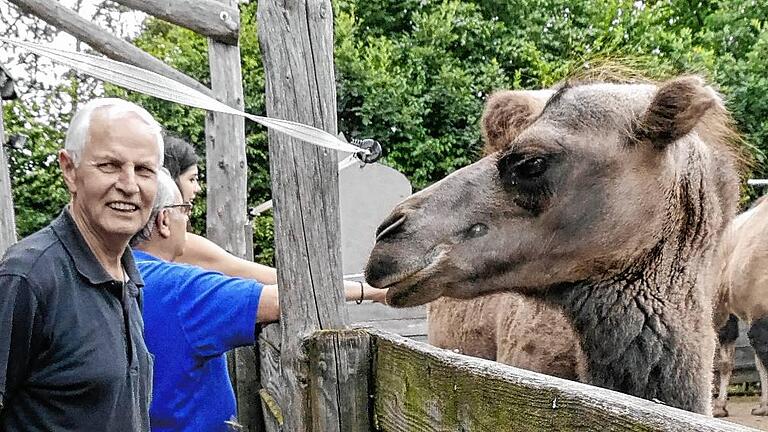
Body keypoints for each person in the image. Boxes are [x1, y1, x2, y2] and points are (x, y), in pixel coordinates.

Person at [0, 98, 163, 431]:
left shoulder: (127, 277)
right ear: (69, 170)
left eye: (144, 170)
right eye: (109, 165)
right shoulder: (28, 278)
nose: (129, 185)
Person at [161, 133, 385, 301]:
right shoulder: (181, 245)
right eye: (192, 179)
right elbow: (281, 284)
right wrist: (369, 292)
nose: (198, 189)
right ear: (168, 184)